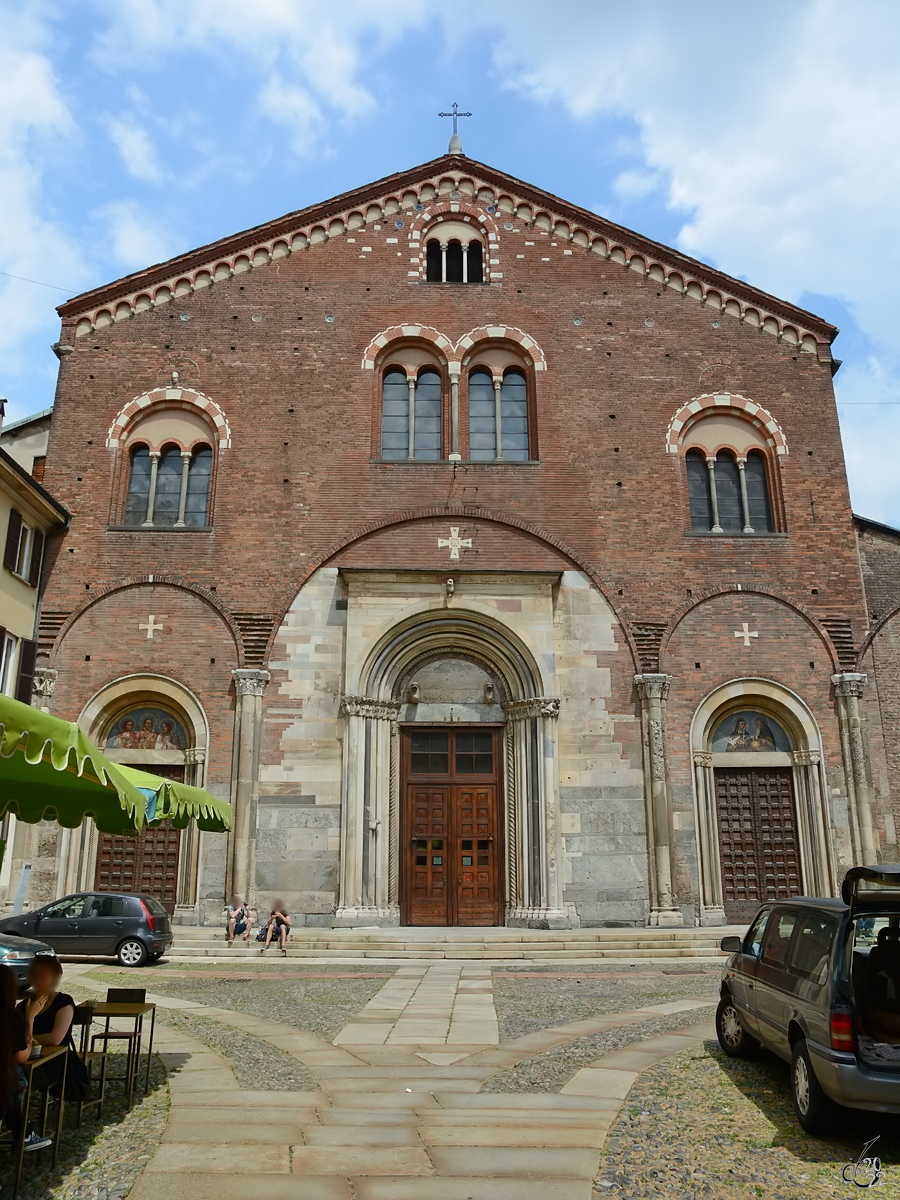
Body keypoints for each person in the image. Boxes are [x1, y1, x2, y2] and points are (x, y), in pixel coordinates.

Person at [1, 963, 53, 1152]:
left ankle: (24, 1134)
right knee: (14, 1076)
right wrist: (30, 1019)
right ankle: (24, 1135)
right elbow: (22, 1056)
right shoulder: (10, 1018)